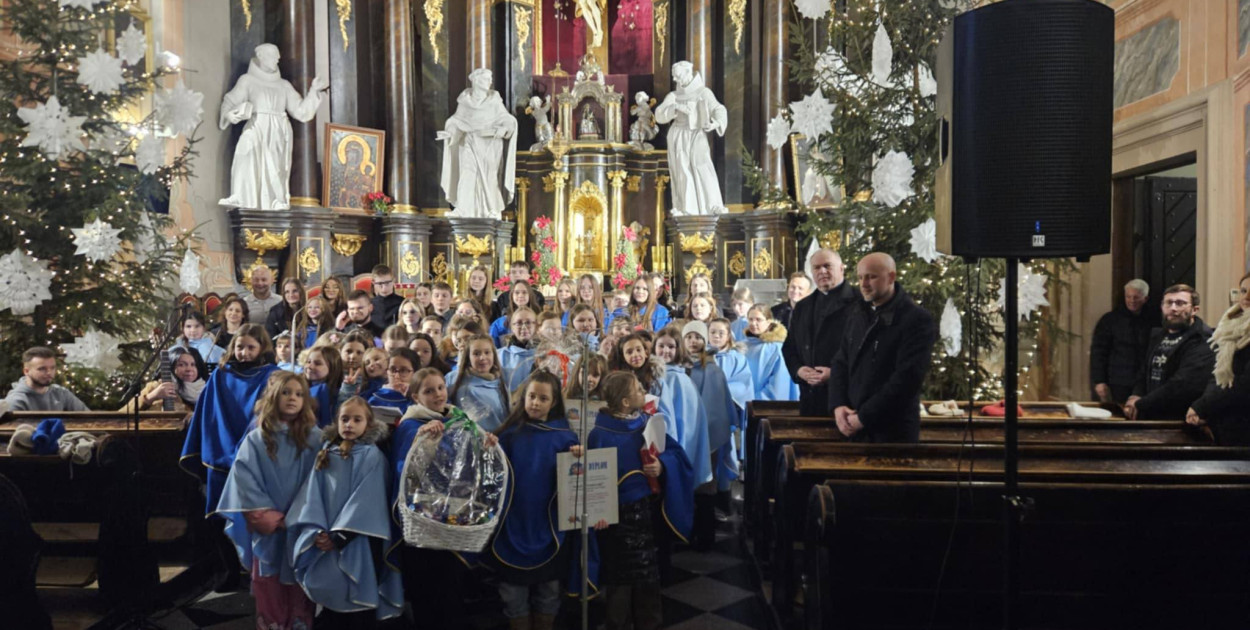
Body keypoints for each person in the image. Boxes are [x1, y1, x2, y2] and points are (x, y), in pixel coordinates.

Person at [214, 372, 322, 630]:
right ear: (273, 397)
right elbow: (244, 478)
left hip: (301, 529)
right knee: (269, 588)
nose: (292, 398)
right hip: (270, 531)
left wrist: (299, 517)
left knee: (300, 590)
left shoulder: (316, 438)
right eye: (286, 392)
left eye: (298, 394)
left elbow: (321, 481)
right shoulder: (257, 438)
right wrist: (268, 517)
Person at [589, 372, 695, 630]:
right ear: (625, 401)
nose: (643, 391)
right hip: (615, 519)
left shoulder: (648, 423)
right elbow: (593, 481)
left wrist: (661, 466)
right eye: (638, 389)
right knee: (619, 581)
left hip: (645, 513)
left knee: (648, 576)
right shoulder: (599, 434)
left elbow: (674, 453)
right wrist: (597, 513)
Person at [287, 397, 403, 627]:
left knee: (357, 600)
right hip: (326, 535)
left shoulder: (372, 456)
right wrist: (316, 530)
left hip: (358, 539)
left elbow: (368, 499)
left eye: (356, 420)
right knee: (333, 592)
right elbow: (313, 494)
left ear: (368, 425)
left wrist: (341, 536)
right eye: (344, 419)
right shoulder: (327, 452)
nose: (349, 424)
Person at [478, 370, 579, 630]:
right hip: (514, 521)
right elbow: (491, 478)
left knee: (549, 590)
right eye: (531, 396)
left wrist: (578, 456)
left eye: (543, 398)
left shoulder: (565, 438)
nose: (535, 402)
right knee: (512, 592)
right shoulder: (510, 435)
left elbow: (574, 482)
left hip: (549, 522)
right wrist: (489, 450)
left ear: (553, 402)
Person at [829, 253, 935, 443]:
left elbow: (907, 378)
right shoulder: (857, 313)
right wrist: (838, 405)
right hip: (852, 424)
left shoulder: (916, 319)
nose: (864, 284)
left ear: (891, 277)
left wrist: (864, 417)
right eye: (860, 277)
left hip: (892, 431)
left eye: (871, 277)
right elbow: (841, 361)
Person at [179, 324, 279, 516]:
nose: (244, 352)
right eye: (240, 347)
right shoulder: (221, 373)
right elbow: (208, 410)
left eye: (251, 348)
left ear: (262, 348)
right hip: (221, 446)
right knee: (220, 514)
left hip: (256, 450)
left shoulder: (272, 375)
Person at [218, 43, 328, 211]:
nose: (277, 59)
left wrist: (313, 91)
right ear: (260, 56)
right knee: (244, 155)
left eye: (278, 56)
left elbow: (300, 111)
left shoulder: (283, 85)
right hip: (256, 125)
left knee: (276, 169)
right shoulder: (247, 80)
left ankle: (276, 200)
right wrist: (229, 115)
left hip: (278, 131)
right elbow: (231, 101)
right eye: (273, 55)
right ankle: (240, 196)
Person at [658, 324, 736, 551]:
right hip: (682, 437)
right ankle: (684, 531)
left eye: (697, 337)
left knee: (704, 486)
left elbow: (713, 409)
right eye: (688, 336)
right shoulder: (678, 369)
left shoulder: (711, 369)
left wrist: (702, 439)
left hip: (704, 437)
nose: (693, 341)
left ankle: (705, 534)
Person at [782, 249, 859, 416]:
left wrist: (835, 374)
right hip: (810, 399)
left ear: (841, 268)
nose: (822, 271)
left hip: (847, 401)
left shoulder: (860, 303)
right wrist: (799, 370)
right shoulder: (803, 306)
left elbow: (866, 354)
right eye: (816, 268)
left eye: (827, 266)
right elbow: (790, 347)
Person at [1124, 284, 1213, 421]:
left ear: (1194, 310)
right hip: (1151, 413)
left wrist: (1140, 404)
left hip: (1179, 418)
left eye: (1180, 303)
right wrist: (1136, 394)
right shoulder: (1158, 335)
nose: (1173, 308)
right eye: (1168, 303)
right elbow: (1145, 370)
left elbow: (1181, 384)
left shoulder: (1204, 339)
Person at [438, 67, 518, 219]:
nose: (490, 82)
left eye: (490, 79)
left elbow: (507, 119)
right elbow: (456, 121)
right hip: (469, 143)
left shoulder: (494, 100)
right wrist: (450, 133)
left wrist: (504, 128)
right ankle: (462, 209)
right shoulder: (465, 101)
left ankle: (490, 209)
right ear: (476, 80)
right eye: (486, 79)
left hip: (490, 145)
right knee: (467, 174)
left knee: (489, 176)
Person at [655, 61, 728, 216]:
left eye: (678, 75)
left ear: (688, 72)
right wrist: (673, 107)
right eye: (674, 76)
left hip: (696, 134)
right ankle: (687, 209)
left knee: (703, 165)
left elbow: (719, 109)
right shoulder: (674, 95)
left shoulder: (703, 92)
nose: (675, 79)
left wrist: (715, 123)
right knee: (683, 171)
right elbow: (659, 115)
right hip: (678, 135)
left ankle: (712, 205)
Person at [1188, 272, 1250, 444]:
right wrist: (1204, 408)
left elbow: (1244, 384)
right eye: (1243, 291)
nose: (1246, 297)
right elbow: (1217, 374)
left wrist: (1203, 406)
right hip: (1228, 419)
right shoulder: (1231, 325)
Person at [1090, 279, 1156, 404]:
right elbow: (1098, 352)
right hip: (1117, 381)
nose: (1131, 301)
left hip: (1146, 382)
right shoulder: (1109, 320)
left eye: (1136, 297)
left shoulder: (1154, 321)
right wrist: (1099, 381)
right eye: (1128, 297)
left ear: (1145, 299)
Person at [446, 334, 511, 432]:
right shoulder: (454, 378)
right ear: (468, 357)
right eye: (476, 354)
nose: (482, 357)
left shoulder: (501, 381)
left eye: (487, 352)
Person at [119, 346, 208, 413]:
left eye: (193, 365)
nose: (189, 369)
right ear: (171, 367)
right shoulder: (157, 386)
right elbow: (123, 414)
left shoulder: (207, 390)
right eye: (181, 365)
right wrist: (152, 396)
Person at [4, 347, 89, 412]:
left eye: (52, 368)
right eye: (42, 369)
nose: (49, 372)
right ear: (26, 371)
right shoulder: (16, 400)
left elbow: (89, 418)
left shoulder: (61, 393)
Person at [743, 305, 797, 401]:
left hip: (765, 405)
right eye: (750, 319)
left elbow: (779, 382)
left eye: (758, 320)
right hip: (745, 403)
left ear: (769, 321)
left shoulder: (777, 348)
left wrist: (757, 399)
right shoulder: (744, 346)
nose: (753, 323)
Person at [607, 277, 671, 332]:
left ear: (650, 291)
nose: (640, 291)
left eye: (645, 289)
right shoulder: (620, 312)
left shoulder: (661, 312)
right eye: (637, 288)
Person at [302, 345, 343, 427]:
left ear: (332, 367)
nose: (310, 366)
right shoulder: (298, 387)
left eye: (317, 363)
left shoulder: (337, 394)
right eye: (308, 362)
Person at [367, 349, 419, 415]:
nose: (396, 376)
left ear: (415, 373)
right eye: (393, 370)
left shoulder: (420, 398)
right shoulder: (375, 399)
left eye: (403, 370)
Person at [501, 308, 539, 393]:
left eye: (528, 322)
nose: (524, 327)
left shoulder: (544, 355)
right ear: (512, 327)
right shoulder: (500, 355)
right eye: (519, 323)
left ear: (536, 326)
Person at [491, 279, 539, 348]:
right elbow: (493, 347)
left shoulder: (539, 319)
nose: (520, 295)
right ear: (512, 296)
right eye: (517, 292)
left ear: (530, 295)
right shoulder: (499, 324)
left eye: (524, 292)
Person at [370, 265, 404, 330]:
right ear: (373, 282)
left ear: (393, 280)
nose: (384, 288)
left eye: (387, 283)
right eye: (380, 284)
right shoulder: (369, 305)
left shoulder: (402, 303)